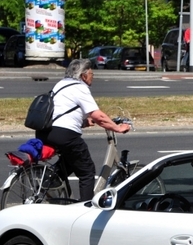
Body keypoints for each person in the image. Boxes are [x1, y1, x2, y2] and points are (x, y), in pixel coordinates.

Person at [36, 59, 130, 201]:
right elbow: (98, 116)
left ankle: (49, 182)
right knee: (87, 171)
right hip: (64, 135)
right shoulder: (80, 87)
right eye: (92, 73)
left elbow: (63, 111)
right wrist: (118, 128)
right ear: (84, 75)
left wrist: (84, 122)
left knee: (73, 160)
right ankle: (86, 210)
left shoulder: (61, 84)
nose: (93, 76)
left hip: (45, 132)